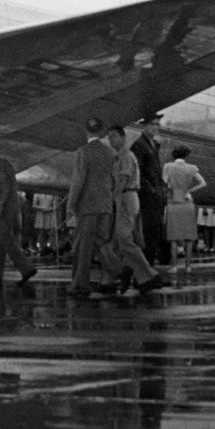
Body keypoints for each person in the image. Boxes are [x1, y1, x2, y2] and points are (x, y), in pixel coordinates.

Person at [103, 126, 167, 294]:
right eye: (109, 137)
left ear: (123, 138)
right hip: (124, 197)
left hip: (126, 197)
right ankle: (115, 277)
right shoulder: (119, 157)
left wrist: (111, 199)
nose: (111, 140)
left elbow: (122, 180)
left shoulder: (125, 156)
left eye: (115, 136)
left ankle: (148, 274)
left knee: (124, 238)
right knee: (117, 241)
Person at [0, 142, 37, 288]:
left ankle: (27, 269)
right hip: (9, 206)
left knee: (5, 240)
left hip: (7, 207)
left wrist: (0, 206)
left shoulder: (0, 166)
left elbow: (5, 188)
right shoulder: (2, 164)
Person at [67, 118, 116, 296]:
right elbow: (113, 179)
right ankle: (118, 268)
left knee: (83, 246)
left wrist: (71, 205)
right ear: (102, 132)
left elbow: (78, 180)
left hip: (88, 206)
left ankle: (80, 284)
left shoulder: (83, 152)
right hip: (105, 204)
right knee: (101, 242)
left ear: (86, 131)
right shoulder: (110, 152)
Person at [130, 116, 168, 265]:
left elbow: (155, 171)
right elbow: (137, 171)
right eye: (152, 124)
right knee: (146, 234)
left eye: (157, 124)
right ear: (143, 126)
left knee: (153, 234)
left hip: (155, 197)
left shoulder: (152, 145)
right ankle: (144, 269)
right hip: (147, 197)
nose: (155, 127)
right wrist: (151, 189)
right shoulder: (140, 144)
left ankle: (148, 268)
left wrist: (161, 187)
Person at [162, 144, 206, 275]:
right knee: (189, 236)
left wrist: (171, 190)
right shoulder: (192, 168)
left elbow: (164, 183)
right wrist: (190, 190)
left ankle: (174, 266)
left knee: (174, 236)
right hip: (187, 201)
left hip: (174, 201)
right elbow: (203, 183)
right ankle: (188, 266)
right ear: (186, 155)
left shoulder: (168, 166)